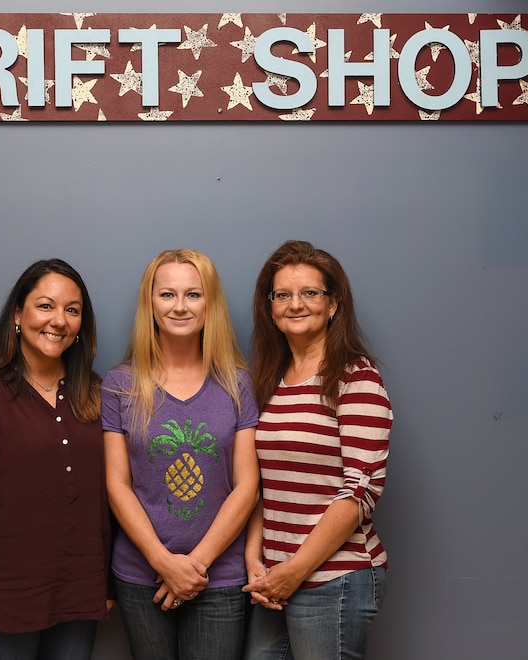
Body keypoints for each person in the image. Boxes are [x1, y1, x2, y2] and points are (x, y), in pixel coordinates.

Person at [0, 259, 112, 659]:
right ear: (18, 313)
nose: (59, 321)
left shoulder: (97, 392)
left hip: (80, 593)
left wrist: (105, 585)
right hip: (3, 600)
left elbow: (105, 500)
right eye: (45, 306)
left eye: (73, 310)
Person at [102, 249, 260, 660]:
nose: (180, 306)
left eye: (193, 294)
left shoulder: (237, 383)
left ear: (211, 304)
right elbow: (117, 484)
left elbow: (247, 485)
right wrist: (163, 561)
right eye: (167, 295)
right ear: (150, 303)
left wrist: (195, 566)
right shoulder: (120, 385)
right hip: (141, 575)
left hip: (220, 576)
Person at [243, 240, 392, 660]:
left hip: (335, 576)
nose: (295, 304)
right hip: (272, 579)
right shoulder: (270, 381)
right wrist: (256, 559)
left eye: (310, 293)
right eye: (283, 295)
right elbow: (263, 484)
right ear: (269, 307)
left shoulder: (356, 377)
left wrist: (294, 571)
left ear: (333, 305)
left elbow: (358, 494)